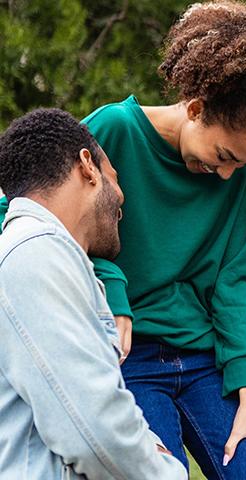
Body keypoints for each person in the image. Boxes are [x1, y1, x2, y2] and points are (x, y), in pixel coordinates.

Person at [0, 2, 246, 478]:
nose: (228, 175)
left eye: (242, 164)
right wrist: (113, 287)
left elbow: (234, 283)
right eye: (223, 155)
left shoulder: (241, 173)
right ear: (195, 107)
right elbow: (42, 211)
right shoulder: (114, 129)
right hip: (131, 356)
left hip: (208, 361)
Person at [0, 108, 186, 480]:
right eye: (115, 179)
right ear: (88, 166)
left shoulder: (48, 255)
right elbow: (95, 430)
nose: (122, 199)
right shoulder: (35, 254)